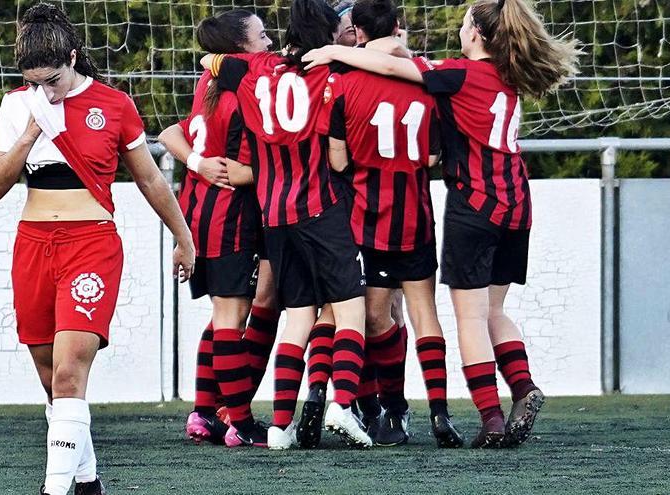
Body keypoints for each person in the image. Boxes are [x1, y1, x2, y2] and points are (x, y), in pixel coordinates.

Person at [303, 0, 580, 448]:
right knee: (493, 311)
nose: (461, 27)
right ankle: (522, 386)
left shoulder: (458, 74)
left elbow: (392, 67)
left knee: (469, 318)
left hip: (474, 203)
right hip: (517, 200)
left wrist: (337, 53)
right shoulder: (509, 76)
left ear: (476, 35)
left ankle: (490, 419)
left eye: (466, 22)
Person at [0, 3, 194, 493]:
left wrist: (183, 237)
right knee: (48, 371)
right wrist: (33, 130)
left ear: (73, 57)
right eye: (35, 81)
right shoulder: (19, 105)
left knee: (71, 367)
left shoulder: (114, 104)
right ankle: (87, 480)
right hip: (34, 244)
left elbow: (148, 179)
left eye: (52, 79)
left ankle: (53, 489)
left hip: (91, 243)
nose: (45, 90)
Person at [202, 0, 371, 450]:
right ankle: (342, 404)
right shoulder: (333, 74)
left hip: (274, 213)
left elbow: (209, 59)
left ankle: (279, 427)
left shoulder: (257, 69)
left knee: (296, 315)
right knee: (351, 308)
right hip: (321, 205)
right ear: (329, 35)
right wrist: (336, 55)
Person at [321, 0, 465, 448]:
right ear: (398, 27)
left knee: (374, 317)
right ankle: (440, 413)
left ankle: (390, 411)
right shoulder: (425, 79)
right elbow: (433, 156)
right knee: (424, 313)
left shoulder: (342, 82)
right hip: (416, 216)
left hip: (369, 218)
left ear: (358, 33)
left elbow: (337, 159)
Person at [158, 9, 277, 448]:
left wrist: (197, 163)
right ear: (240, 47)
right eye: (261, 36)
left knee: (219, 317)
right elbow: (244, 169)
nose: (268, 43)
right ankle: (241, 425)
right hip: (230, 217)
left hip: (197, 215)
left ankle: (203, 414)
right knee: (231, 318)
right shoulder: (244, 89)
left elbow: (172, 133)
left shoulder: (206, 84)